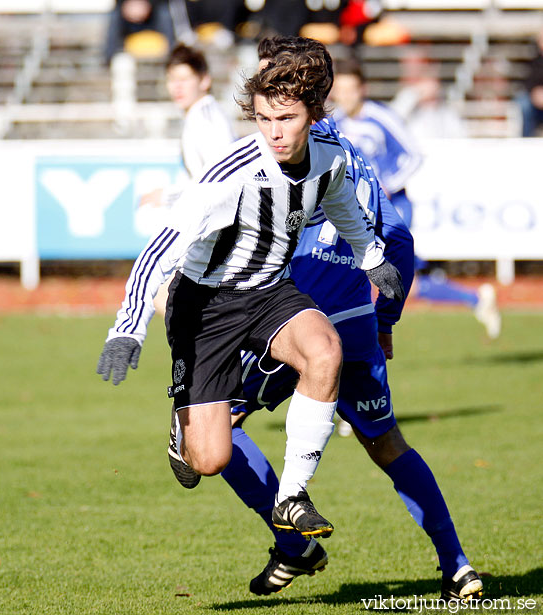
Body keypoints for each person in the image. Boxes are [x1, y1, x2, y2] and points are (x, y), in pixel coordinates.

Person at [97, 43, 405, 539]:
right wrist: (127, 329)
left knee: (325, 350)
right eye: (263, 118)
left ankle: (292, 496)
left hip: (269, 292)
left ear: (313, 113)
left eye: (285, 117)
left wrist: (372, 259)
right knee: (213, 458)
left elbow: (343, 202)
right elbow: (160, 248)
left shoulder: (328, 157)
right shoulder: (234, 172)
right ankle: (186, 427)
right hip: (205, 304)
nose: (274, 131)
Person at [216, 35, 484, 603]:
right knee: (387, 445)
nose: (265, 108)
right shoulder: (353, 155)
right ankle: (457, 565)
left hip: (291, 318)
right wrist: (385, 317)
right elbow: (400, 239)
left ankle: (293, 544)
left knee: (213, 427)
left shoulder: (292, 156)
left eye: (275, 83)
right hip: (355, 321)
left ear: (303, 92)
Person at [330, 57, 501, 340]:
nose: (346, 96)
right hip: (354, 212)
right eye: (341, 90)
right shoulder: (335, 121)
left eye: (352, 89)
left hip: (390, 208)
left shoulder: (380, 117)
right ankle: (477, 300)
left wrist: (385, 184)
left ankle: (364, 335)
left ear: (363, 89)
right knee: (394, 278)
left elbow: (413, 155)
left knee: (392, 277)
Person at [139, 43, 237, 312]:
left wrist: (167, 195)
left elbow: (221, 180)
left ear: (204, 80)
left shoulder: (203, 119)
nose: (176, 87)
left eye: (184, 79)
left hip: (217, 232)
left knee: (165, 297)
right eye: (172, 79)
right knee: (173, 300)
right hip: (213, 229)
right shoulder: (203, 114)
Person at [103, 0, 175, 65]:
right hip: (127, 12)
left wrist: (148, 4)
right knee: (115, 16)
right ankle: (109, 61)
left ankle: (172, 60)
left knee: (164, 13)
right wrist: (125, 4)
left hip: (154, 12)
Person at [515, 27, 543, 138]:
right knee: (523, 102)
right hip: (536, 103)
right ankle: (526, 139)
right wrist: (535, 94)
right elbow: (528, 83)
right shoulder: (534, 61)